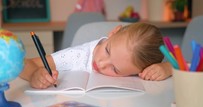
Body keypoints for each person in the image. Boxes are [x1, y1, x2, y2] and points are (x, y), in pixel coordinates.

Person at [19, 22, 172, 89]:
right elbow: (22, 63)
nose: (101, 63)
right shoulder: (76, 56)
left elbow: (187, 66)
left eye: (115, 70)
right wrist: (34, 75)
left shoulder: (138, 62)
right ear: (113, 33)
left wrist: (167, 67)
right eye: (107, 50)